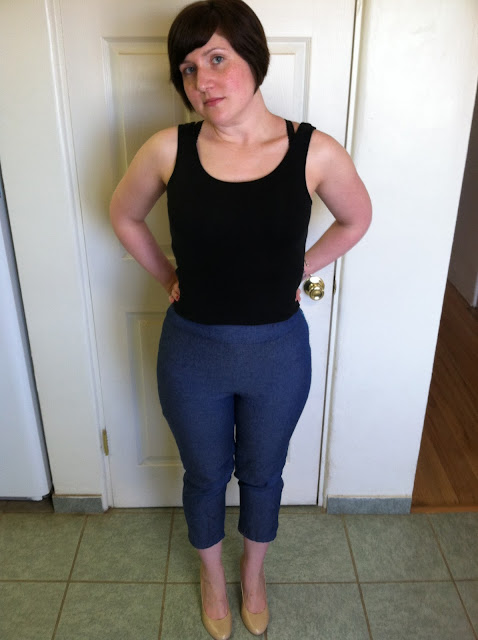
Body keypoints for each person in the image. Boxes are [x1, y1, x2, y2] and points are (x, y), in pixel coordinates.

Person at [110, 0, 372, 637]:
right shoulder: (168, 149)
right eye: (188, 68)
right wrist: (167, 277)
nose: (203, 80)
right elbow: (124, 214)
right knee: (204, 474)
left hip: (277, 355)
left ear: (253, 57)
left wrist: (300, 268)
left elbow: (356, 217)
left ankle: (253, 575)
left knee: (262, 473)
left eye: (217, 59)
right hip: (191, 355)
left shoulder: (313, 150)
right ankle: (211, 577)